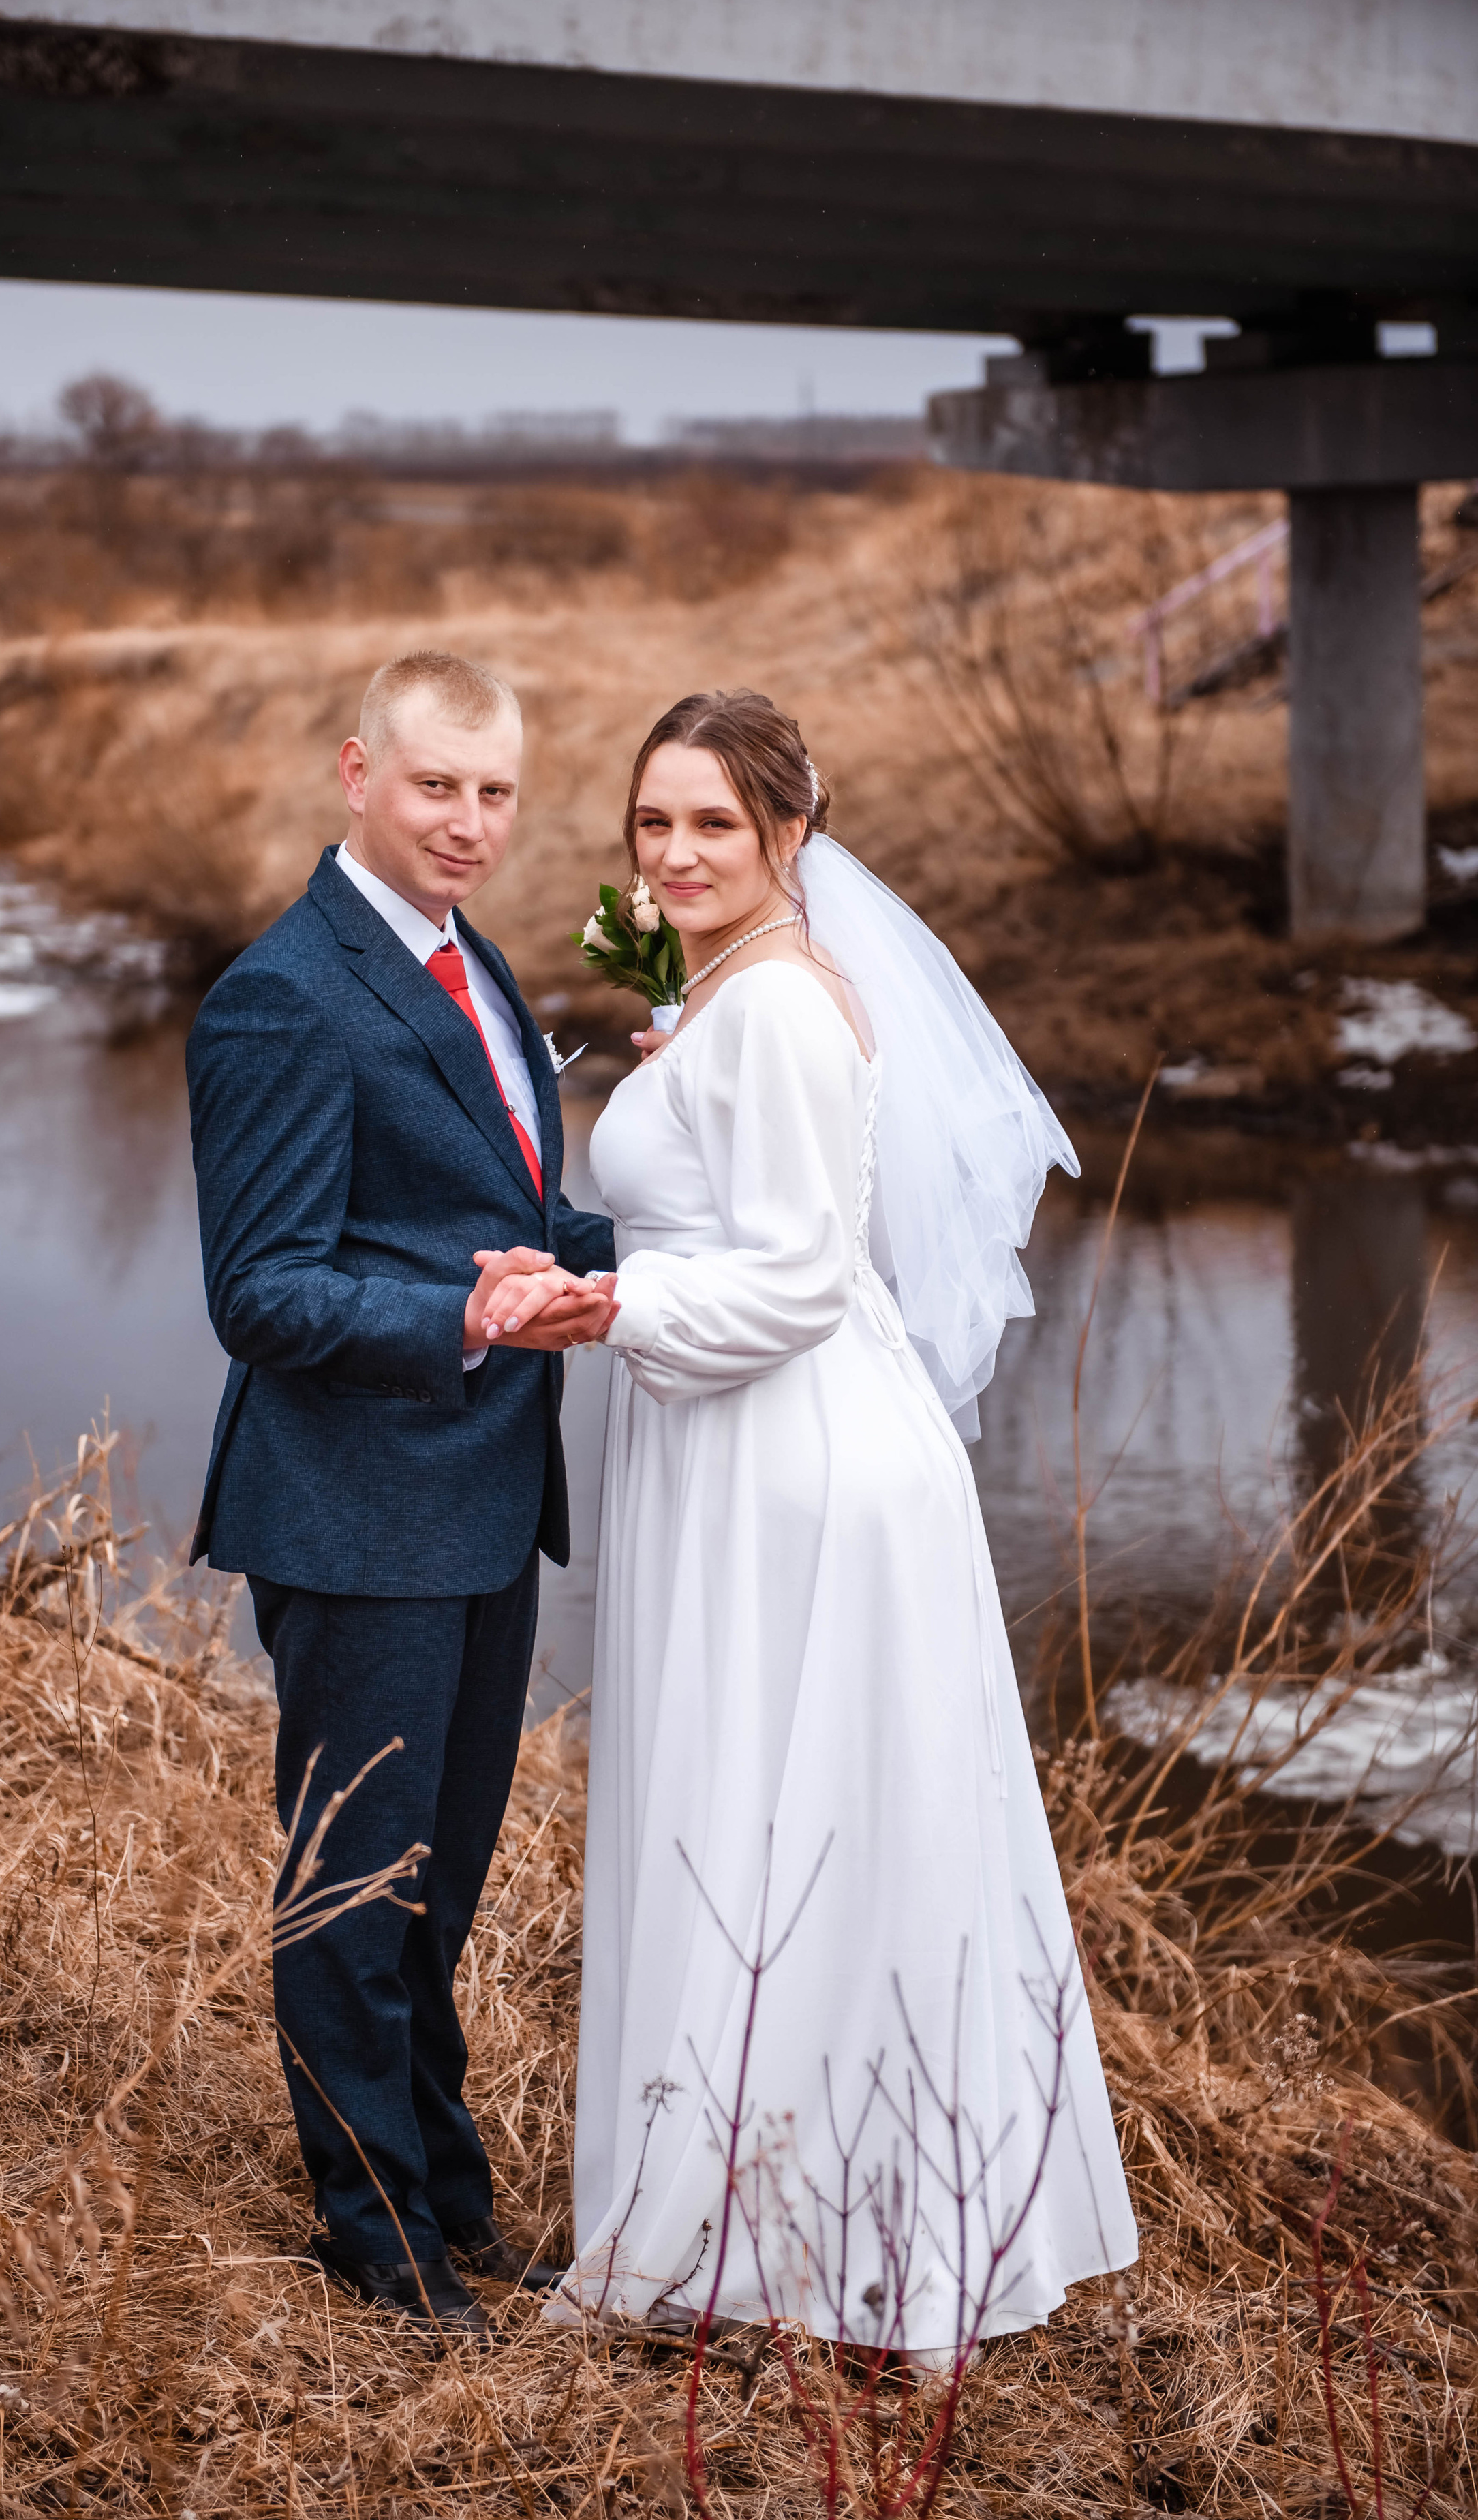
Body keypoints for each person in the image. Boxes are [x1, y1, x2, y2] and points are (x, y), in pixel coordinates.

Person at [478, 690, 1138, 2361]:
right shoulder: (736, 993)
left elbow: (778, 1281)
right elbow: (757, 1216)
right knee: (798, 1826)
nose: (677, 853)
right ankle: (795, 2219)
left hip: (785, 1459)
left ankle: (754, 2236)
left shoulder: (768, 1008)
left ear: (790, 830)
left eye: (712, 822)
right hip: (762, 1440)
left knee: (769, 1823)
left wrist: (597, 1308)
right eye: (652, 824)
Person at [186, 649, 619, 2343]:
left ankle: (445, 2200)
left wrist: (683, 1261)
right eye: (436, 784)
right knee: (356, 1887)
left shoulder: (471, 961)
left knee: (438, 1888)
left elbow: (503, 1213)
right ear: (358, 772)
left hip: (479, 1498)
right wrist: (468, 1314)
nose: (468, 821)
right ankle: (376, 2249)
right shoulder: (286, 992)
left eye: (496, 791)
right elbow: (264, 1290)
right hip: (357, 1509)